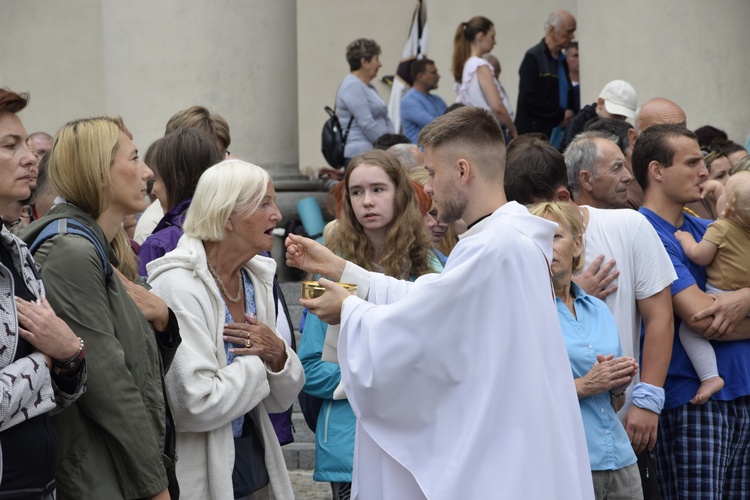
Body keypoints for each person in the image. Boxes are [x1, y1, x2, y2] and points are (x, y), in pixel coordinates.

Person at [286, 106, 594, 499]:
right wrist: (346, 270)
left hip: (504, 451)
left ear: (462, 171)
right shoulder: (508, 235)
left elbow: (426, 324)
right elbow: (434, 300)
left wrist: (348, 309)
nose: (426, 187)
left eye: (431, 173)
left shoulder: (493, 248)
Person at [21, 116, 181, 499]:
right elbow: (110, 389)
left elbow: (140, 369)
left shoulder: (102, 248)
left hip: (118, 471)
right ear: (99, 173)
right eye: (135, 157)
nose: (147, 172)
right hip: (102, 478)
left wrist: (164, 321)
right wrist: (156, 488)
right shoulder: (70, 252)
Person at [147, 159, 304, 500]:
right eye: (264, 203)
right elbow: (193, 404)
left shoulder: (256, 277)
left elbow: (282, 399)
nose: (277, 215)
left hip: (255, 458)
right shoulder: (177, 284)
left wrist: (278, 355)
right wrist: (261, 363)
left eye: (274, 202)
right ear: (227, 215)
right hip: (200, 470)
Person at [298, 150, 441, 499]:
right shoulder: (331, 268)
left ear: (401, 194)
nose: (367, 202)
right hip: (350, 445)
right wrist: (375, 375)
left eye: (378, 189)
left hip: (418, 442)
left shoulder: (431, 267)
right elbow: (310, 367)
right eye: (357, 192)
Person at [633, 124, 750, 498]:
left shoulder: (707, 226)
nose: (704, 171)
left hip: (742, 390)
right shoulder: (644, 230)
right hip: (691, 401)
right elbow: (703, 318)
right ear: (657, 171)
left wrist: (745, 297)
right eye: (692, 162)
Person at [0, 88, 87, 498]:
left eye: (26, 145)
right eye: (9, 145)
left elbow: (63, 393)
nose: (31, 158)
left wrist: (69, 361)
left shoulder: (17, 250)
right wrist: (52, 358)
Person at [529, 202, 642, 500]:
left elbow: (613, 402)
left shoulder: (597, 309)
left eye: (555, 236)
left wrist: (617, 388)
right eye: (535, 238)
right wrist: (585, 385)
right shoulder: (525, 312)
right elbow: (518, 398)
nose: (545, 246)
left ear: (577, 245)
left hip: (620, 460)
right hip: (565, 464)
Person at [672, 172, 750, 403]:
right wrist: (717, 187)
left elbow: (700, 256)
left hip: (722, 296)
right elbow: (731, 200)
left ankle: (710, 376)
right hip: (745, 301)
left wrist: (685, 239)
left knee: (690, 330)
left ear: (726, 209)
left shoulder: (721, 227)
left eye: (723, 191)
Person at [134, 105, 232, 244]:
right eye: (206, 157)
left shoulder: (231, 210)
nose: (217, 165)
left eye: (220, 155)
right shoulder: (153, 226)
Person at [137, 127, 223, 277]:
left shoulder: (157, 246)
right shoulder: (242, 232)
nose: (152, 191)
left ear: (178, 180)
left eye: (156, 179)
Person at [515, 10, 577, 144]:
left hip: (558, 133)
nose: (572, 37)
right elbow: (528, 97)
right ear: (552, 30)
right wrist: (560, 114)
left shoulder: (562, 60)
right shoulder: (533, 57)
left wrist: (570, 113)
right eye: (569, 31)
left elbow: (567, 93)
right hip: (534, 136)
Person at [452, 16, 517, 138]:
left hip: (474, 129)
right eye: (492, 37)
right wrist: (512, 129)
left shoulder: (465, 65)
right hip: (490, 130)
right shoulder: (480, 65)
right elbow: (497, 107)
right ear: (480, 36)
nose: (495, 42)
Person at [336, 38, 394, 164]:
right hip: (361, 156)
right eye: (376, 59)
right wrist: (388, 147)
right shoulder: (352, 85)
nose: (380, 64)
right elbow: (366, 123)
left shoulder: (369, 86)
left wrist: (394, 141)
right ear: (364, 62)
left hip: (375, 153)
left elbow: (385, 116)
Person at [561, 80, 638, 152]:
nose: (619, 120)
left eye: (624, 117)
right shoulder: (579, 122)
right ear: (600, 103)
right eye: (615, 115)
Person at [400, 58, 447, 144]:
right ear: (420, 76)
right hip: (419, 155)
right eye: (433, 73)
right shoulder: (409, 101)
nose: (438, 76)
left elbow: (451, 119)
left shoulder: (438, 100)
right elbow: (434, 125)